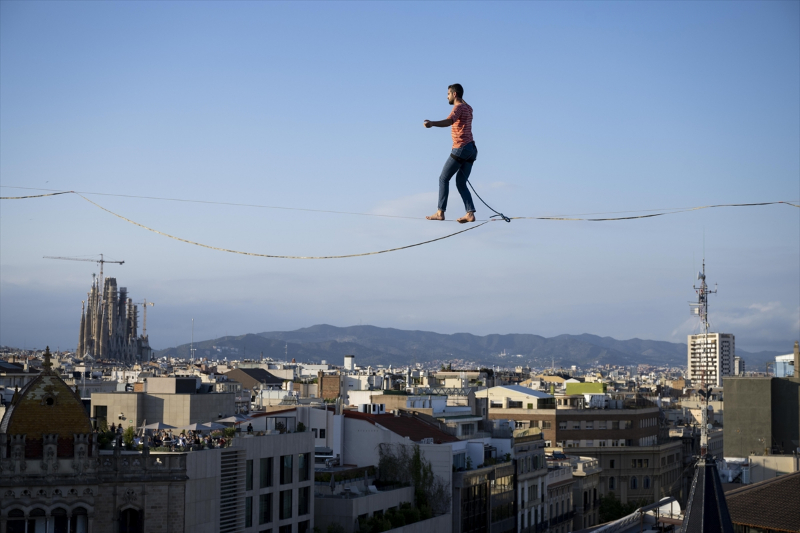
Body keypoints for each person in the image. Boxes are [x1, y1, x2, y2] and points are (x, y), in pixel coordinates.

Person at [424, 83, 477, 223]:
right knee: (460, 182)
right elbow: (463, 101)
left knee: (443, 178)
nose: (446, 97)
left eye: (448, 94)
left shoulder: (458, 108)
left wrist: (432, 123)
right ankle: (470, 213)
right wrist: (460, 95)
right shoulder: (469, 108)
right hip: (472, 149)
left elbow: (449, 121)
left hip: (461, 148)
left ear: (454, 94)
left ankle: (440, 212)